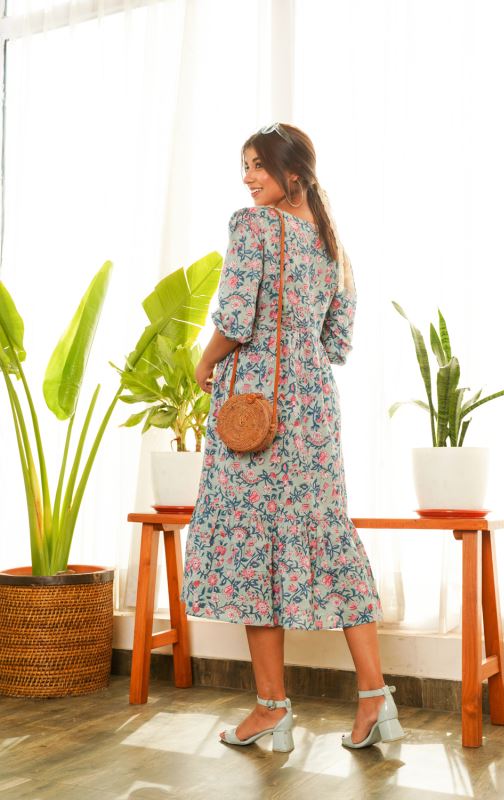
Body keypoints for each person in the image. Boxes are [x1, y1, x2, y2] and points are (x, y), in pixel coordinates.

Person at [180, 123, 405, 751]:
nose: (248, 177)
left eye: (259, 166)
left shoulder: (254, 227)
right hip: (312, 409)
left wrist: (205, 361)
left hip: (256, 405)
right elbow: (336, 342)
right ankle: (374, 697)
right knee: (329, 535)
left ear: (294, 174)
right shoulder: (333, 247)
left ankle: (271, 708)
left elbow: (234, 317)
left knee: (253, 542)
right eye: (245, 166)